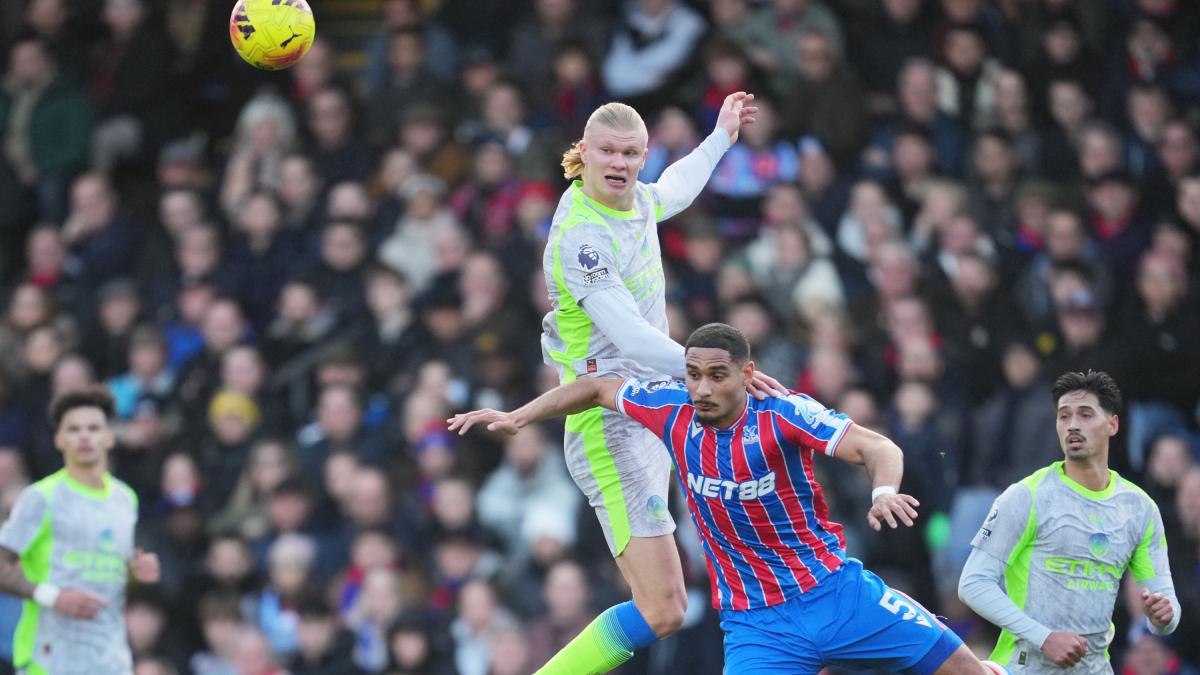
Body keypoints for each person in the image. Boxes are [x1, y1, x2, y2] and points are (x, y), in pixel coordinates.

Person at [450, 323, 1004, 674]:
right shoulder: (670, 408)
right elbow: (596, 386)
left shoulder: (783, 413)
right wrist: (521, 415)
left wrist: (883, 491)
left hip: (835, 594)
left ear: (747, 373)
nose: (703, 388)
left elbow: (877, 446)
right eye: (693, 375)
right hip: (756, 627)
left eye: (718, 375)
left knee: (966, 671)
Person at [534, 93, 787, 673]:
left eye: (630, 154)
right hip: (608, 424)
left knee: (678, 599)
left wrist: (721, 137)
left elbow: (674, 188)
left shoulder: (637, 201)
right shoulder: (581, 238)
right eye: (607, 152)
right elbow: (633, 339)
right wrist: (714, 375)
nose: (619, 163)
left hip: (652, 409)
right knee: (663, 609)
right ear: (584, 151)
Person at [958, 371, 1181, 672]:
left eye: (1085, 414)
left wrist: (1162, 618)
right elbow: (973, 584)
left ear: (1113, 424)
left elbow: (1166, 606)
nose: (1073, 424)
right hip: (1025, 666)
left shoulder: (1140, 508)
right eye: (1064, 416)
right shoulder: (1027, 495)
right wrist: (1044, 637)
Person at [0, 386, 160, 673]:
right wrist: (54, 597)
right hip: (49, 658)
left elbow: (109, 573)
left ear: (109, 437)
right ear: (59, 439)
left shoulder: (126, 499)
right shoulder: (41, 497)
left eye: (93, 428)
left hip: (110, 660)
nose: (84, 436)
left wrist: (135, 574)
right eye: (73, 429)